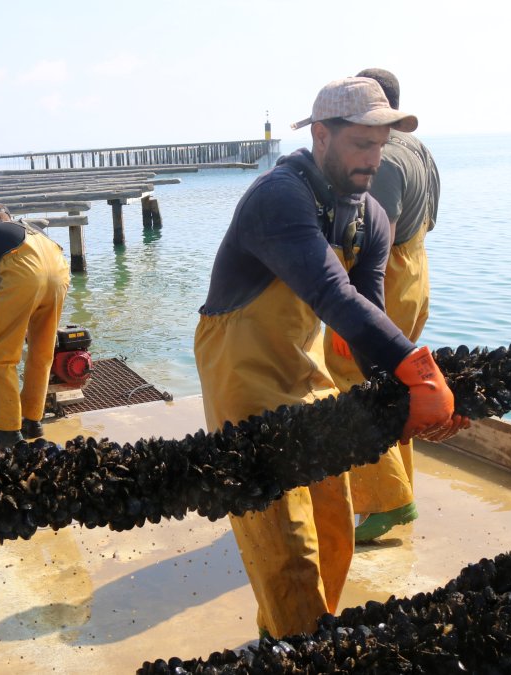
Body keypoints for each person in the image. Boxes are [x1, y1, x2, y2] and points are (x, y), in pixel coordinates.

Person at [194, 77, 466, 639]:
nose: (374, 158)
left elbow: (363, 319)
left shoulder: (372, 217)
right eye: (361, 144)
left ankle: (306, 640)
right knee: (285, 542)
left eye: (381, 144)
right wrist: (417, 368)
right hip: (240, 365)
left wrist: (415, 395)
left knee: (334, 526)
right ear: (322, 135)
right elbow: (330, 294)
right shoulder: (279, 197)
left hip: (304, 361)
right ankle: (292, 646)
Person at [324, 67, 448, 543]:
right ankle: (400, 489)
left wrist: (348, 317)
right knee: (399, 385)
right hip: (418, 271)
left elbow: (376, 235)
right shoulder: (418, 150)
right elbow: (430, 218)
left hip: (386, 276)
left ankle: (389, 501)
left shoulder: (384, 162)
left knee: (357, 380)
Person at [0, 203, 70, 455]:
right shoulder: (32, 229)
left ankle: (7, 431)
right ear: (10, 219)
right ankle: (33, 421)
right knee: (42, 351)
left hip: (27, 278)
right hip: (59, 272)